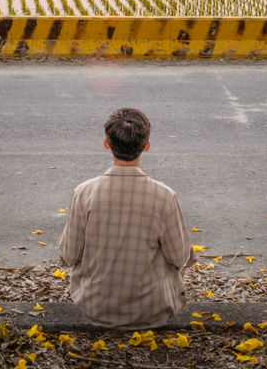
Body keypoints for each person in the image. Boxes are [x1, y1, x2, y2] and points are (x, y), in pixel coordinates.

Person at [58, 107, 192, 327]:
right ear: (146, 146)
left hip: (95, 306)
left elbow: (69, 255)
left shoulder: (84, 192)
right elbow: (179, 258)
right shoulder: (164, 196)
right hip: (152, 310)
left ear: (107, 144)